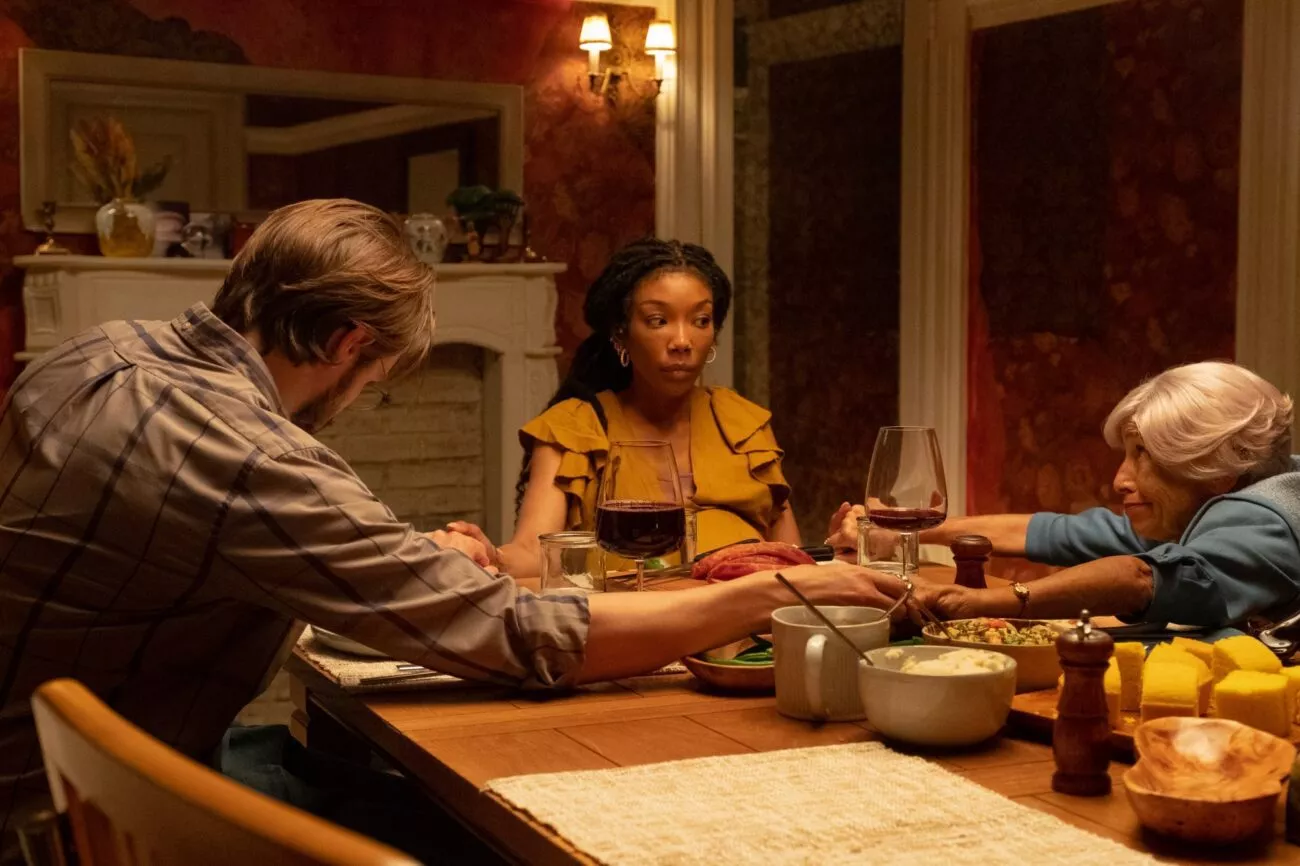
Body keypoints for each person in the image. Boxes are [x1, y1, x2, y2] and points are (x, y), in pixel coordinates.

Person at [0, 200, 904, 864]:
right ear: (351, 345)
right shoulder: (247, 455)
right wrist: (774, 589)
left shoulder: (101, 350)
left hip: (70, 763)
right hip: (80, 823)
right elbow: (522, 635)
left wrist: (406, 562)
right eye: (379, 378)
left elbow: (219, 541)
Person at [829, 361, 1300, 627]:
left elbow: (1143, 579)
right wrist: (907, 533)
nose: (1121, 479)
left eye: (1144, 455)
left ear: (1217, 471)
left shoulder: (1264, 520)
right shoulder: (1202, 507)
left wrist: (986, 602)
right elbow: (1056, 533)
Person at [449, 239, 800, 579]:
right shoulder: (576, 428)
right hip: (638, 625)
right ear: (621, 333)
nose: (682, 341)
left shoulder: (742, 423)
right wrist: (491, 555)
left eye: (700, 320)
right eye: (658, 320)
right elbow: (533, 553)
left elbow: (792, 557)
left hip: (751, 626)